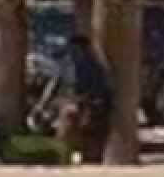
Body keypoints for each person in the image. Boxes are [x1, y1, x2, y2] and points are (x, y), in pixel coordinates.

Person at [47, 34, 114, 163]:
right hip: (74, 105)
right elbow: (55, 84)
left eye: (78, 50)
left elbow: (100, 91)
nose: (75, 54)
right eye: (73, 50)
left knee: (90, 142)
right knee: (67, 127)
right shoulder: (68, 66)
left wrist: (87, 103)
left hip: (92, 108)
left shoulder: (94, 68)